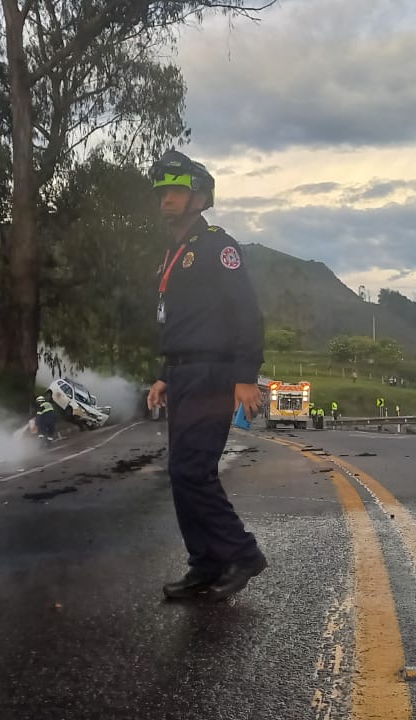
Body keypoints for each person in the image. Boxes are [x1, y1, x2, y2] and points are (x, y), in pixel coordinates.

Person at [144, 149, 268, 602]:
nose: (167, 199)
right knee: (181, 472)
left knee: (193, 470)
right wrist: (163, 374)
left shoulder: (219, 246)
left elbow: (247, 314)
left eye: (177, 191)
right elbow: (176, 320)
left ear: (200, 197)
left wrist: (245, 376)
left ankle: (243, 553)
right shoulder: (173, 252)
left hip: (213, 371)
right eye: (163, 192)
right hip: (182, 372)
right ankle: (205, 562)